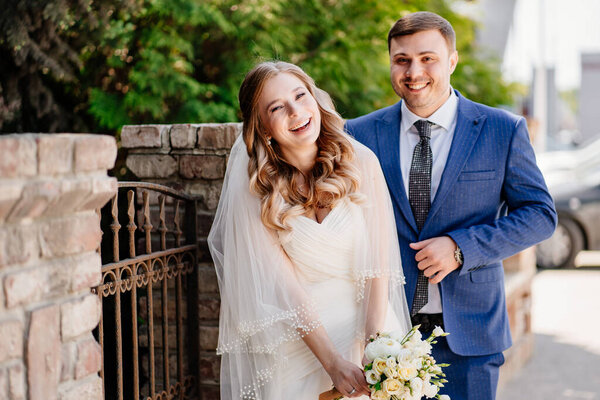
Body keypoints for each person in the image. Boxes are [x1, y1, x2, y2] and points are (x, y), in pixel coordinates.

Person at [345, 11, 557, 400]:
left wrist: (462, 248)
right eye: (402, 60)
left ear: (452, 61)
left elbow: (540, 215)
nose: (414, 71)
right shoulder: (358, 134)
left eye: (428, 58)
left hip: (470, 337)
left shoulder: (502, 130)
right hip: (385, 334)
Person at [208, 61, 412, 400]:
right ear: (263, 128)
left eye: (300, 96)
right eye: (277, 107)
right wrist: (332, 362)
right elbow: (285, 289)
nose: (296, 111)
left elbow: (379, 268)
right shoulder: (255, 189)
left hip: (369, 326)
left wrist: (376, 348)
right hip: (301, 342)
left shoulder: (362, 162)